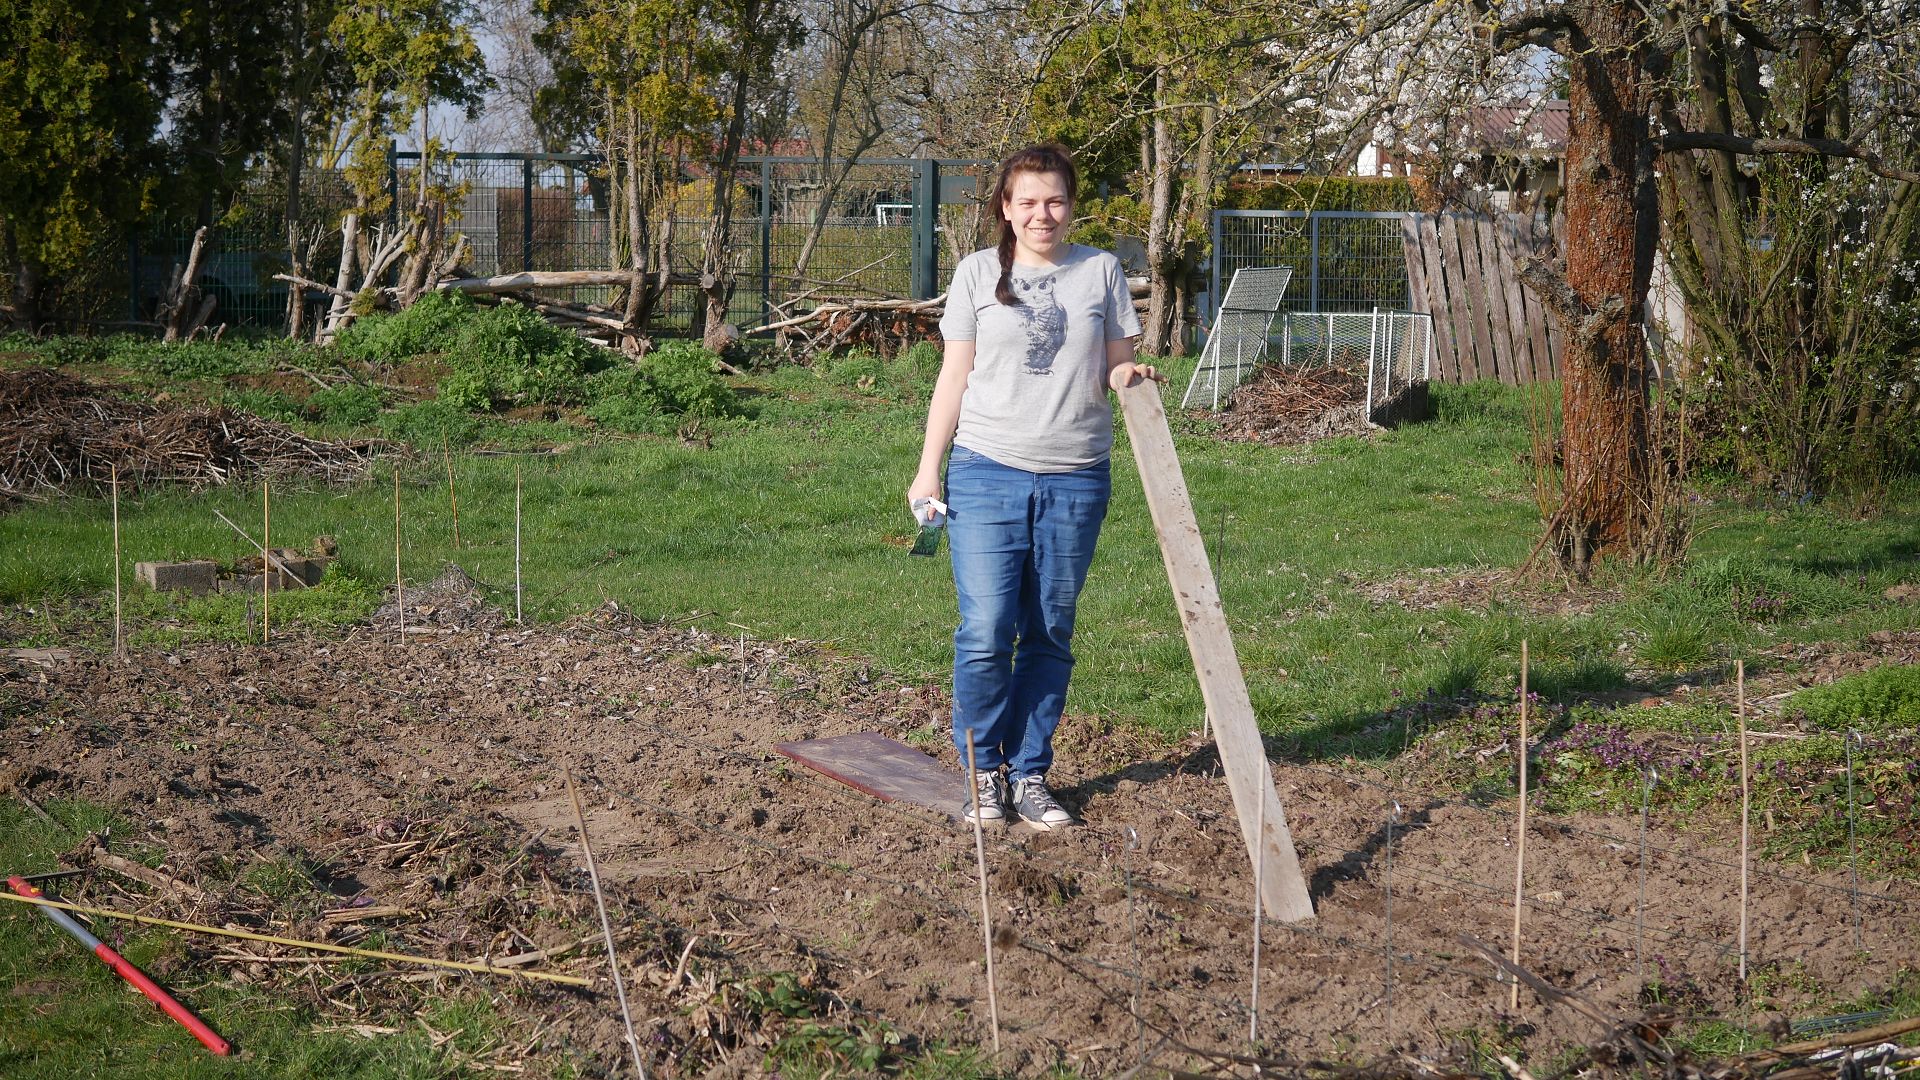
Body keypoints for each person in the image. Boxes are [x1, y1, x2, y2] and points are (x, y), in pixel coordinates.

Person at [908, 143, 1162, 830]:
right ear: (1005, 207)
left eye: (1054, 201)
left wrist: (1127, 377)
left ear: (1071, 207)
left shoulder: (1101, 272)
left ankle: (1029, 776)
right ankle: (984, 771)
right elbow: (953, 377)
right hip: (986, 471)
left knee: (1048, 631)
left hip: (1076, 477)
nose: (1042, 214)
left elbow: (1117, 361)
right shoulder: (976, 275)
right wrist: (928, 469)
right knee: (987, 629)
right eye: (1028, 202)